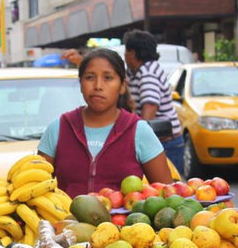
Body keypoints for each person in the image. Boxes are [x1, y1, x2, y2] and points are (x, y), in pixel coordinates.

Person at [37, 49, 172, 197]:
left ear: (122, 86)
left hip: (124, 220)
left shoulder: (138, 130)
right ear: (81, 83)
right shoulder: (59, 128)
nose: (98, 86)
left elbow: (167, 194)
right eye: (90, 77)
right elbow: (37, 191)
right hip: (66, 219)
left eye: (108, 78)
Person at [122, 30, 184, 175]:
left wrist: (137, 136)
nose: (124, 57)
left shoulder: (148, 73)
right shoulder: (137, 71)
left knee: (168, 191)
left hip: (164, 143)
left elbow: (150, 107)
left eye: (126, 51)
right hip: (161, 141)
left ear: (132, 53)